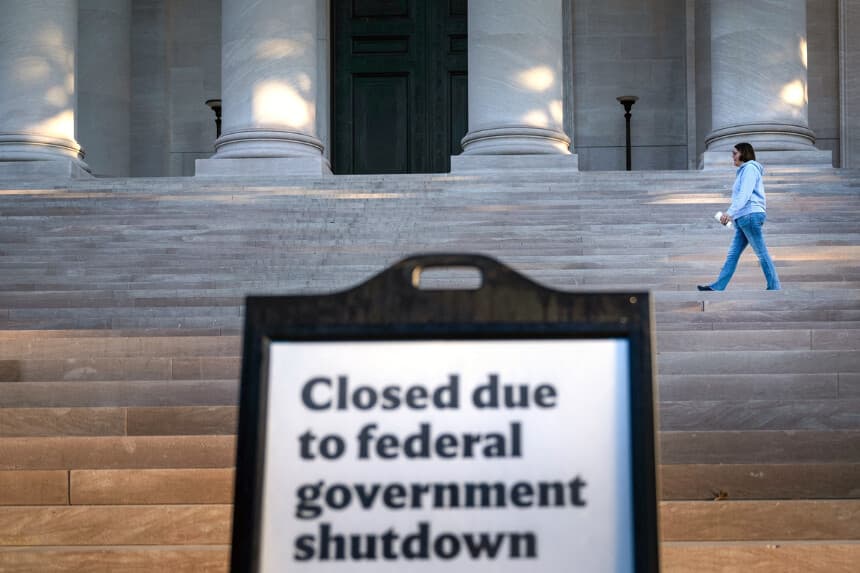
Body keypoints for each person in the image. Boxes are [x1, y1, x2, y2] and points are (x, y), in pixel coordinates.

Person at [698, 142, 781, 291]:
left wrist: (729, 213)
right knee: (732, 255)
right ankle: (718, 286)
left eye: (735, 153)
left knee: (761, 253)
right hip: (744, 217)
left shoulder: (750, 168)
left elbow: (745, 194)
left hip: (750, 215)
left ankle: (775, 287)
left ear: (744, 153)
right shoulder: (745, 170)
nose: (732, 157)